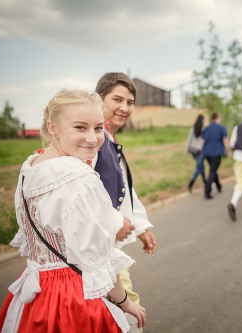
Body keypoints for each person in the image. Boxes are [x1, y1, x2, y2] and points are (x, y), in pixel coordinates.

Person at [0, 90, 146, 333]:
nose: (93, 138)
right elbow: (98, 259)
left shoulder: (31, 167)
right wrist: (125, 302)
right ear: (52, 128)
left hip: (35, 296)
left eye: (98, 128)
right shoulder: (80, 179)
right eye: (80, 127)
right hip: (73, 299)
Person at [93, 73, 156, 315]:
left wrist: (140, 226)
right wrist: (114, 221)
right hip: (99, 250)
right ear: (99, 99)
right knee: (124, 315)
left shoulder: (108, 138)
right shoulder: (94, 139)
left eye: (129, 102)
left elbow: (123, 188)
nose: (124, 108)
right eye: (117, 99)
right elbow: (83, 194)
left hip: (109, 247)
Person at [201, 111, 230, 199]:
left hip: (207, 153)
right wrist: (228, 151)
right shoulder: (221, 128)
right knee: (213, 171)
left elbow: (202, 141)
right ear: (218, 118)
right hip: (216, 153)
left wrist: (202, 152)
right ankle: (207, 191)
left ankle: (218, 186)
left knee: (213, 169)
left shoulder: (207, 128)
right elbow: (225, 141)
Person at [185, 114, 206, 192]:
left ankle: (205, 182)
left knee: (201, 166)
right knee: (199, 167)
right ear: (202, 120)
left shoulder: (193, 128)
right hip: (200, 151)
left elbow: (189, 140)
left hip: (193, 150)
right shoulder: (203, 129)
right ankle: (191, 182)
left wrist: (186, 151)